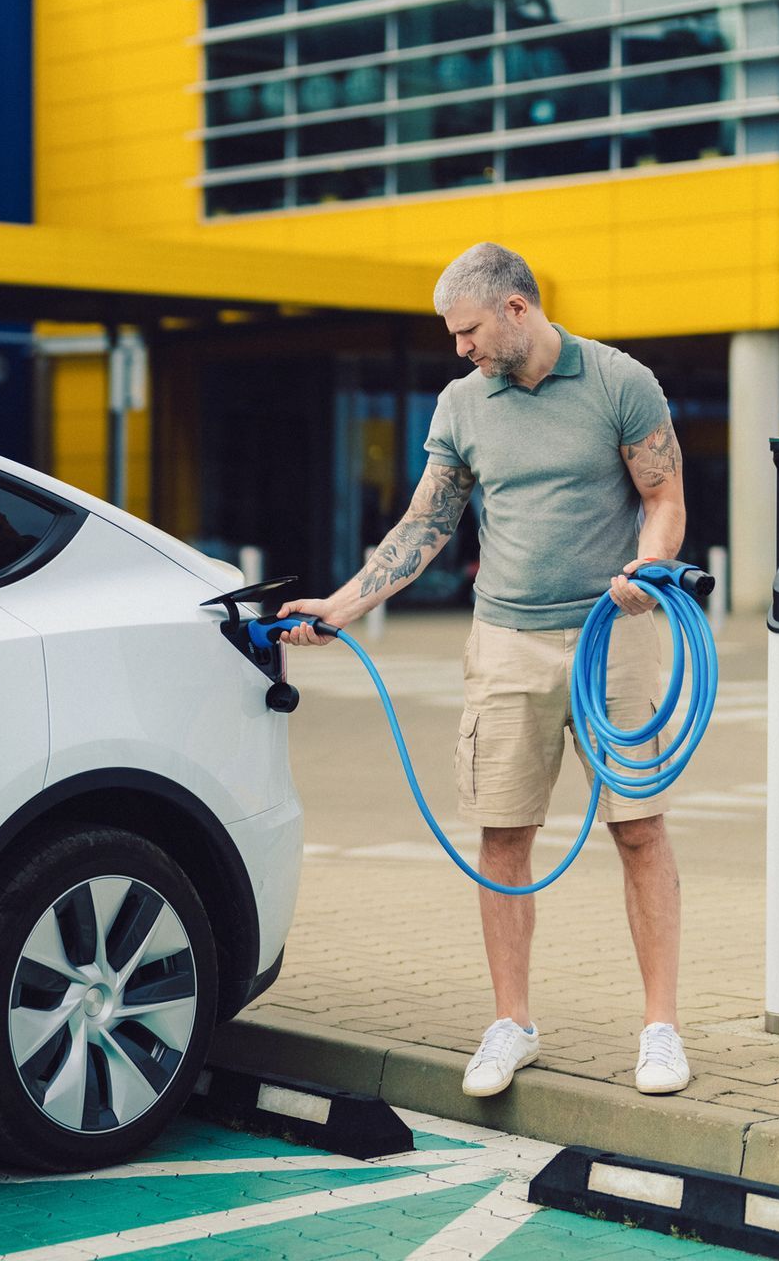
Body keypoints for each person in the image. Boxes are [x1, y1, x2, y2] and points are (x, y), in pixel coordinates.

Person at [276, 242, 692, 1099]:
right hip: (505, 639)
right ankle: (512, 1024)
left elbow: (664, 498)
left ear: (514, 309)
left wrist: (649, 572)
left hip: (611, 636)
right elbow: (423, 525)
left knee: (639, 828)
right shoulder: (463, 404)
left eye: (466, 331)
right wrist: (341, 605)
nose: (457, 348)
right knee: (502, 835)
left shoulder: (621, 383)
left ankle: (660, 1029)